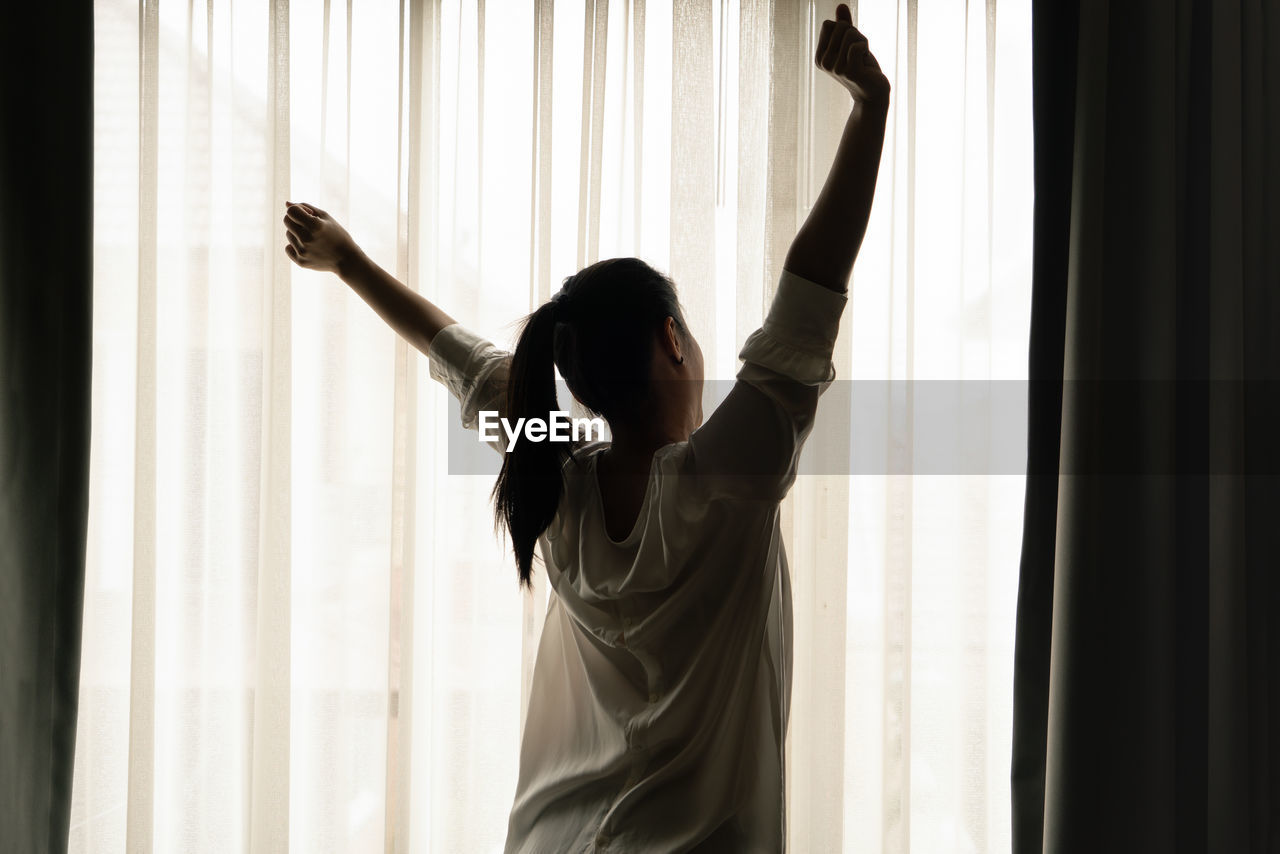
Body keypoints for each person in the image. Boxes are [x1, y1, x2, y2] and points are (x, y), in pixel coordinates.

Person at [283, 4, 887, 850]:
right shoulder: (725, 480)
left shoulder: (553, 475)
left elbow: (457, 353)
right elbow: (812, 288)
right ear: (672, 338)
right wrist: (870, 106)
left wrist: (346, 261)